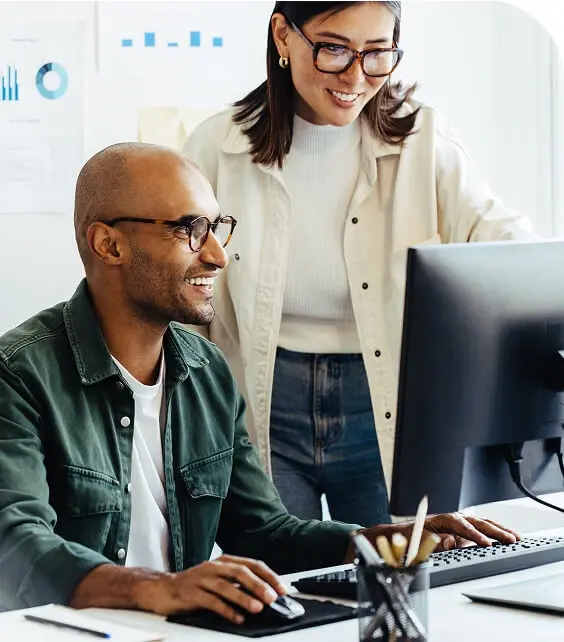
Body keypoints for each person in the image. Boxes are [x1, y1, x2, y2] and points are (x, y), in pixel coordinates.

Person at [0, 142, 521, 621]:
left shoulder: (206, 371)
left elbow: (262, 531)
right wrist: (158, 589)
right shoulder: (19, 373)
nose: (217, 255)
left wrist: (381, 541)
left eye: (216, 227)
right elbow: (14, 542)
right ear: (109, 244)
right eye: (189, 230)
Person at [183, 0, 537, 526]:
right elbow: (179, 283)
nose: (355, 77)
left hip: (382, 399)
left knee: (398, 566)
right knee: (286, 569)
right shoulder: (217, 146)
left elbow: (509, 247)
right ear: (282, 36)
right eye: (333, 49)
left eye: (377, 53)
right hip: (263, 399)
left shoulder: (423, 139)